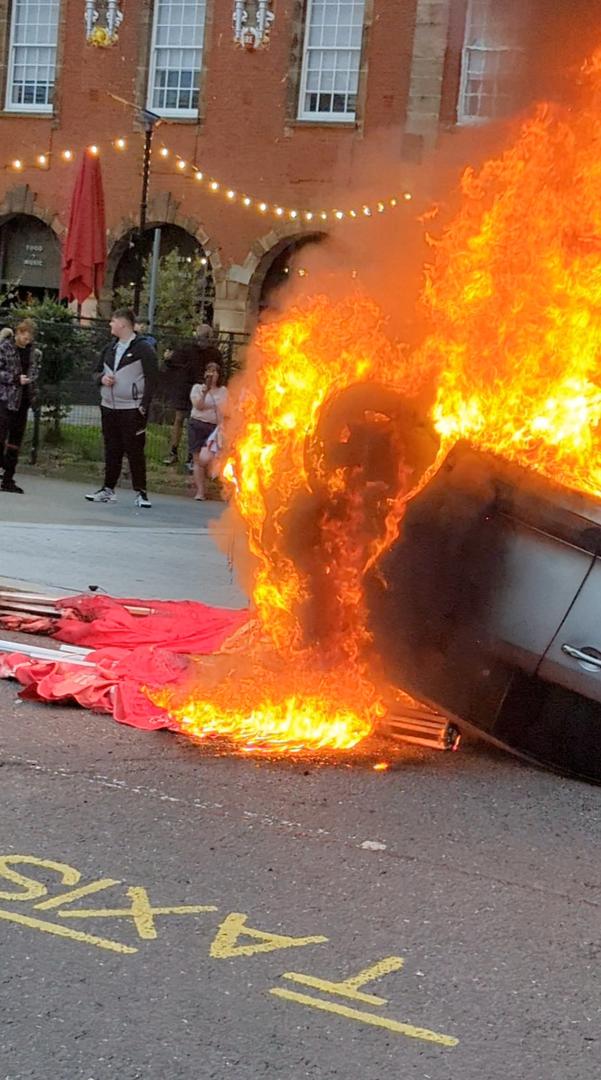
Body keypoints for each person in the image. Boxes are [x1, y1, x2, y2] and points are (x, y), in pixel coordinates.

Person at [86, 308, 158, 508]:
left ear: (123, 324)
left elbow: (153, 379)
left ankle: (141, 492)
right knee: (112, 448)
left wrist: (144, 405)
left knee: (134, 450)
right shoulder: (109, 348)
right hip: (109, 406)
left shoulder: (144, 349)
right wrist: (102, 378)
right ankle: (108, 489)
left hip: (132, 408)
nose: (110, 324)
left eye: (113, 321)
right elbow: (95, 372)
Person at [162, 323, 223, 466]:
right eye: (201, 337)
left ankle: (192, 455)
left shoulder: (214, 353)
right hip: (185, 389)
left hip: (203, 390)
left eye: (206, 338)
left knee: (195, 423)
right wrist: (167, 359)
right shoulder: (186, 349)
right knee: (179, 419)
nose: (202, 341)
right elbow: (172, 363)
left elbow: (220, 371)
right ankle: (173, 452)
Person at [0, 318, 41, 494]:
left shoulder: (34, 353)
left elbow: (35, 371)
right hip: (5, 398)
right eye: (24, 337)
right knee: (1, 436)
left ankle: (8, 477)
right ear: (18, 333)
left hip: (23, 400)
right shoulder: (5, 348)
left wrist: (31, 384)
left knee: (16, 440)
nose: (27, 341)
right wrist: (15, 379)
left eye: (29, 338)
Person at [189, 358, 228, 500]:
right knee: (198, 459)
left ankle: (223, 489)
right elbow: (198, 405)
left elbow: (226, 410)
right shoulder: (197, 389)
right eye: (209, 371)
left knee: (212, 458)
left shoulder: (224, 391)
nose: (212, 374)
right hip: (198, 425)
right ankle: (200, 491)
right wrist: (205, 392)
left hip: (214, 428)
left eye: (215, 371)